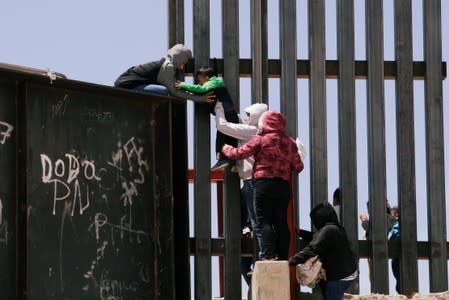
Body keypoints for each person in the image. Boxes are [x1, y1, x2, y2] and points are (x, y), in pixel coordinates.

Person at [222, 111, 304, 260]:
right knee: (281, 222)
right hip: (283, 186)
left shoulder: (260, 139)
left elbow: (239, 153)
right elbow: (298, 167)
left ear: (264, 123)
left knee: (263, 220)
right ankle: (283, 256)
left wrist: (225, 149)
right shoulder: (290, 143)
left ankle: (269, 255)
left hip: (263, 184)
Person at [214, 100, 268, 284]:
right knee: (251, 223)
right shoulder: (254, 130)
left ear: (255, 117)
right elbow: (235, 121)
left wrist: (219, 107)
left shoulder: (252, 131)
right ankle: (257, 263)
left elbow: (223, 126)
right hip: (248, 183)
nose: (244, 118)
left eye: (248, 115)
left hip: (251, 182)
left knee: (256, 222)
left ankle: (263, 258)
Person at [289, 202, 358, 300]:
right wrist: (300, 232)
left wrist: (291, 261)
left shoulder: (328, 230)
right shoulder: (336, 228)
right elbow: (318, 238)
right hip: (348, 272)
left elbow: (312, 249)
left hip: (339, 277)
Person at [176, 67, 240, 170]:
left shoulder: (213, 82)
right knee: (229, 138)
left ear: (207, 77)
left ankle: (224, 160)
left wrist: (183, 85)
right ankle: (232, 162)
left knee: (223, 137)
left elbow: (201, 89)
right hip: (230, 114)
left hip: (227, 114)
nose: (199, 82)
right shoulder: (216, 83)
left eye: (200, 79)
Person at [114, 44, 211, 103]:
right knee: (164, 91)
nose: (183, 66)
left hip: (127, 83)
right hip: (127, 85)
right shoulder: (168, 67)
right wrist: (202, 98)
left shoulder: (166, 62)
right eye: (184, 62)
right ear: (179, 58)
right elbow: (174, 92)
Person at [388, 206, 400, 294]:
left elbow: (393, 237)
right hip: (396, 256)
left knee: (399, 275)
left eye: (391, 216)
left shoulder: (396, 226)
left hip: (397, 256)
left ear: (396, 216)